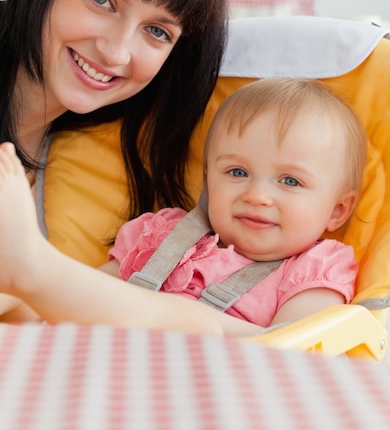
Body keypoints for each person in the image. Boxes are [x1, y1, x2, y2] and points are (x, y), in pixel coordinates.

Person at [0, 0, 228, 326]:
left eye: (157, 31)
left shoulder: (107, 154)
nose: (116, 51)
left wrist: (36, 278)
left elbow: (200, 328)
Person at [0, 78, 367, 337]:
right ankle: (21, 289)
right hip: (107, 375)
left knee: (196, 325)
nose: (257, 195)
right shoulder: (164, 234)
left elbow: (291, 349)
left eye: (290, 181)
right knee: (38, 303)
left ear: (337, 211)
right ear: (209, 181)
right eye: (237, 172)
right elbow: (93, 292)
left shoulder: (315, 269)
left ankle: (32, 266)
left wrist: (186, 319)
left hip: (214, 386)